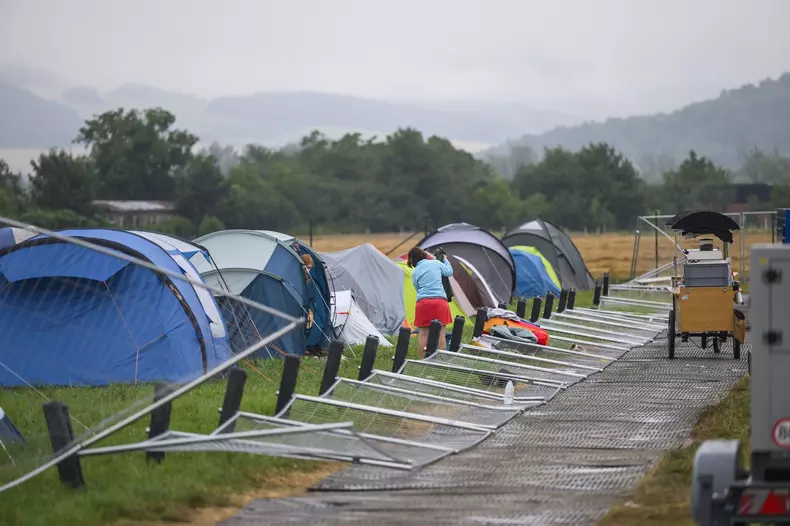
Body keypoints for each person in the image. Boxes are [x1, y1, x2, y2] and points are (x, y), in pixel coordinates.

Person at [407, 246, 453, 358]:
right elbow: (449, 272)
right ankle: (442, 359)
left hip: (423, 303)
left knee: (423, 334)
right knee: (441, 332)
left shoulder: (415, 272)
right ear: (424, 255)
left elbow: (418, 288)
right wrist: (445, 259)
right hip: (440, 301)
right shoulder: (436, 263)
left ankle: (422, 360)